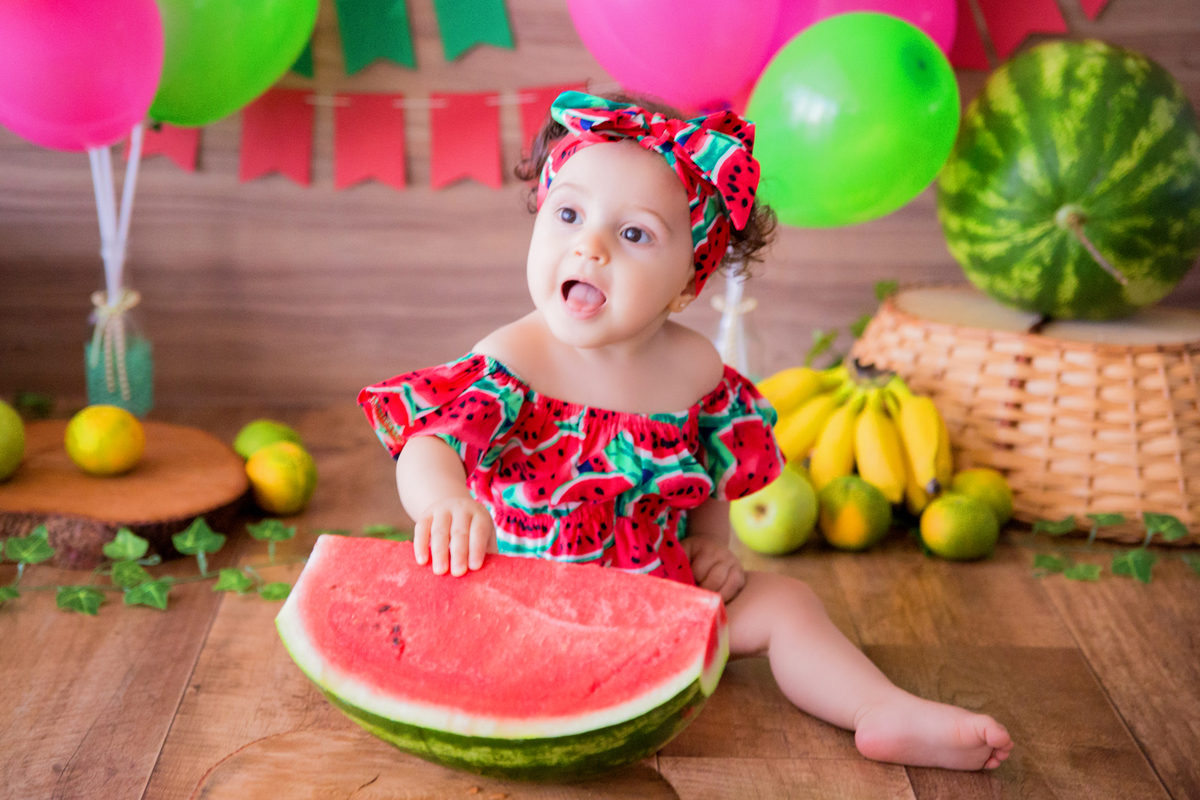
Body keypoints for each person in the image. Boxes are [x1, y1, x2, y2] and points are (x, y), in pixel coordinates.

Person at [359, 90, 1013, 771]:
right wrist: (443, 503)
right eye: (569, 213)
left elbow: (711, 477)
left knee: (787, 602)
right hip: (522, 605)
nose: (590, 245)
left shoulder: (697, 370)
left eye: (633, 233)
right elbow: (430, 439)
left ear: (684, 286)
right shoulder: (512, 361)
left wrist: (710, 549)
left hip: (658, 601)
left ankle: (878, 708)